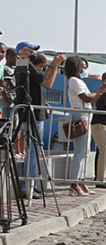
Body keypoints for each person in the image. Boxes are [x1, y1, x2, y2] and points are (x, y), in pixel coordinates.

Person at [15, 41, 65, 198]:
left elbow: (41, 80)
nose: (34, 53)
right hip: (32, 115)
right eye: (31, 50)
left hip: (30, 113)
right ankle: (27, 187)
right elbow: (48, 84)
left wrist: (52, 66)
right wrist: (55, 65)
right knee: (34, 150)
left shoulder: (22, 67)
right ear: (24, 51)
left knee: (33, 150)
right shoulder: (27, 67)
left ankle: (29, 185)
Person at [64, 56, 106, 196]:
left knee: (85, 152)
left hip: (85, 115)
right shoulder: (73, 80)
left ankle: (80, 180)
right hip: (80, 115)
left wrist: (101, 91)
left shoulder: (80, 81)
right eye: (82, 67)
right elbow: (87, 98)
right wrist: (101, 88)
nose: (84, 70)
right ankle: (74, 183)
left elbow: (92, 98)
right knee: (80, 152)